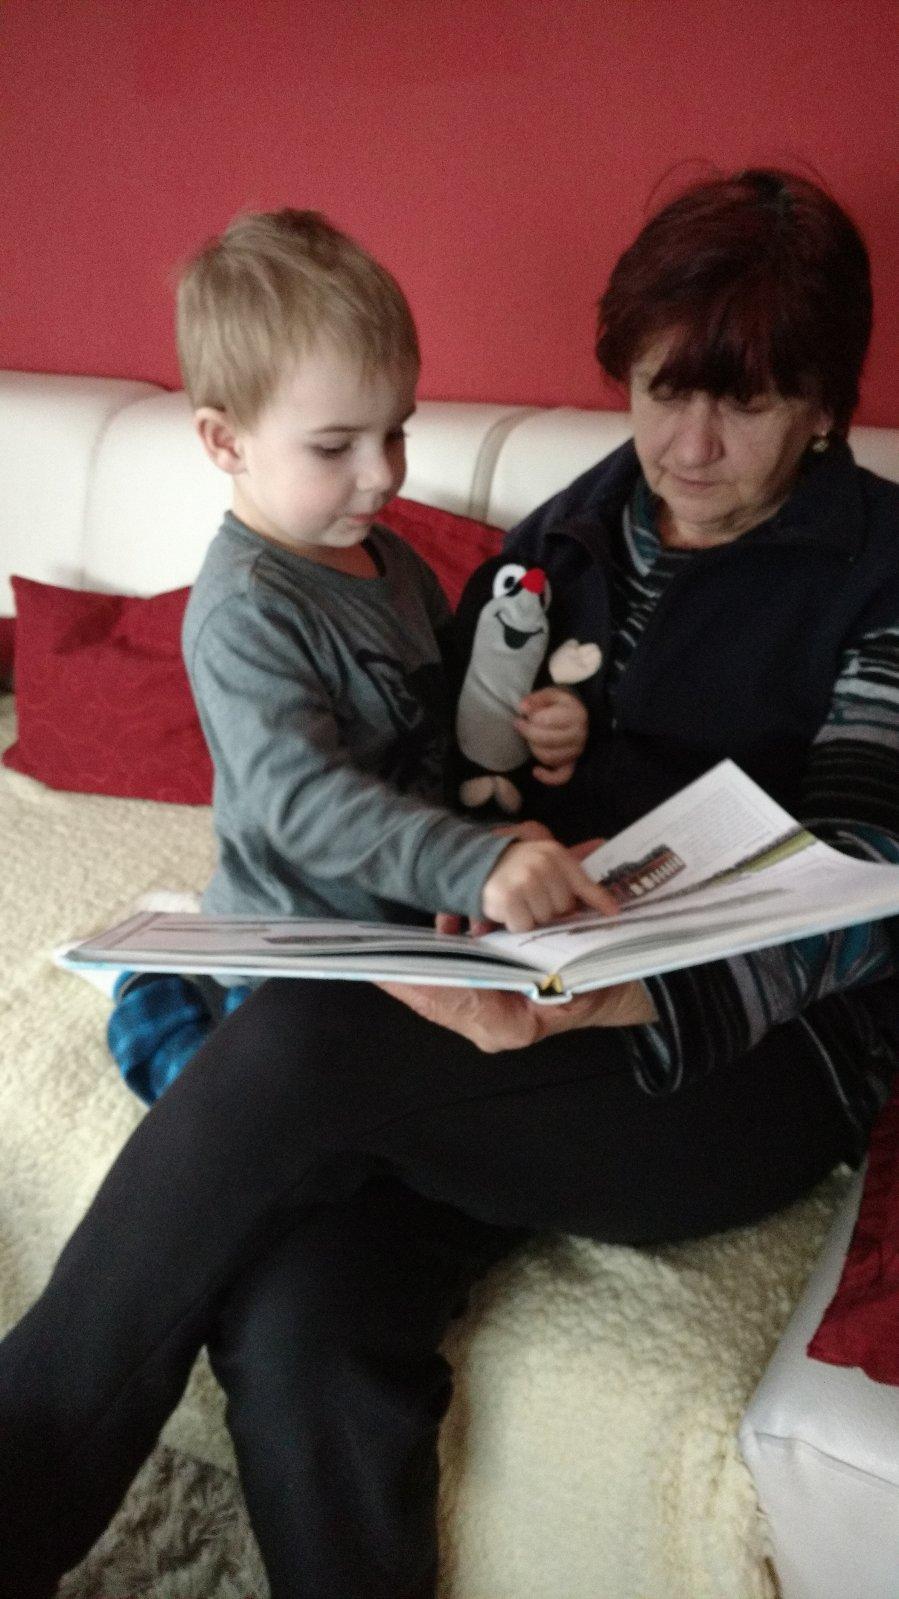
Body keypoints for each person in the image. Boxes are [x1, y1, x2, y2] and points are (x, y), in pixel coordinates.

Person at [2, 167, 899, 1599]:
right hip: (512, 1022)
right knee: (297, 1316)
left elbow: (868, 877)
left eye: (745, 405)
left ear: (820, 405)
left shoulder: (878, 572)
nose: (688, 445)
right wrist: (484, 858)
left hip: (736, 1068)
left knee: (303, 1038)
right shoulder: (566, 537)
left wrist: (618, 998)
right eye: (662, 391)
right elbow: (456, 773)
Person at [104, 208, 608, 1103]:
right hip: (294, 947)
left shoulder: (390, 559)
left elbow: (451, 711)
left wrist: (537, 723)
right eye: (336, 446)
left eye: (396, 432)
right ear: (225, 441)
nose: (382, 474)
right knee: (252, 1101)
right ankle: (158, 988)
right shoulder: (245, 610)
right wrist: (474, 864)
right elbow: (303, 805)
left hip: (409, 926)